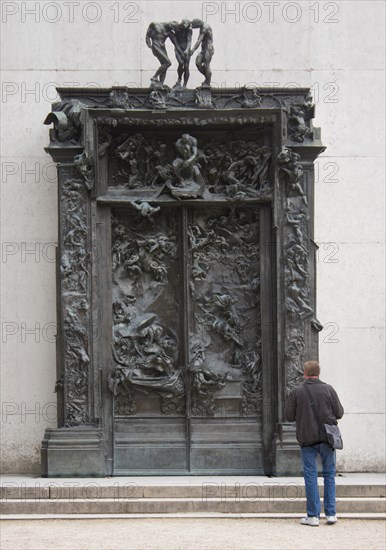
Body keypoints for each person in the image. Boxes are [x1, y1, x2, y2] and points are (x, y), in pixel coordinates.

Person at [285, 360, 344, 527]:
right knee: (329, 474)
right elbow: (339, 413)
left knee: (310, 476)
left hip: (307, 439)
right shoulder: (329, 389)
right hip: (327, 438)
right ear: (318, 373)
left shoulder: (297, 391)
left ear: (304, 373)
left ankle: (313, 516)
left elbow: (289, 416)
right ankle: (331, 514)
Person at [190, 19, 214, 86]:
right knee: (198, 62)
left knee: (206, 65)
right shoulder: (201, 26)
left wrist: (192, 50)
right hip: (203, 49)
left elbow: (199, 40)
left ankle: (208, 82)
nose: (193, 27)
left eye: (194, 26)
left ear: (198, 24)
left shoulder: (205, 27)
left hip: (208, 48)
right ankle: (208, 77)